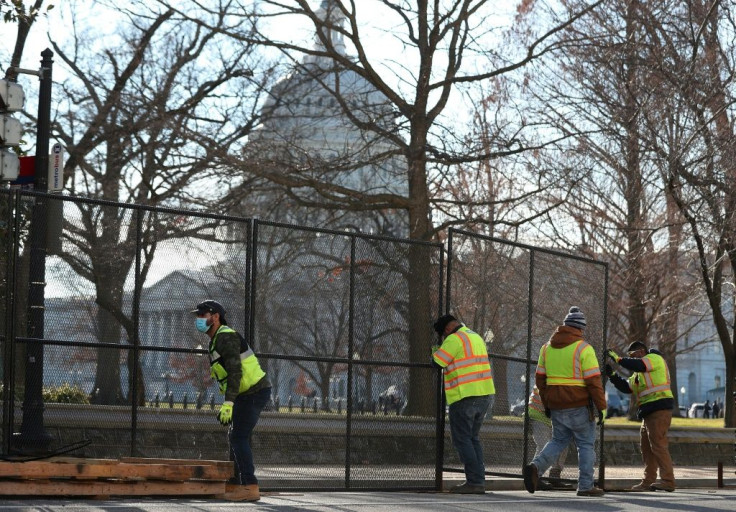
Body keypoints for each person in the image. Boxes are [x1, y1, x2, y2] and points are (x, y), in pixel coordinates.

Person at [192, 300, 272, 502]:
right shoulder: (217, 338)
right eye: (198, 316)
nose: (199, 320)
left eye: (203, 315)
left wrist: (229, 403)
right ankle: (238, 483)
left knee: (238, 437)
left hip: (254, 392)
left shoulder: (225, 337)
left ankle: (249, 486)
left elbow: (235, 372)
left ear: (215, 316)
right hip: (246, 393)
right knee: (235, 435)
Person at [523, 306, 607, 497]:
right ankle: (586, 485)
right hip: (579, 406)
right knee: (585, 444)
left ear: (564, 326)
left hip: (556, 405)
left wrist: (547, 403)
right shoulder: (584, 348)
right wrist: (601, 407)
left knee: (558, 440)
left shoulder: (546, 348)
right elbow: (594, 381)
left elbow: (540, 380)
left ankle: (536, 467)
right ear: (580, 329)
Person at [432, 314, 495, 494]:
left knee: (462, 439)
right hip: (484, 394)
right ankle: (478, 480)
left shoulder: (454, 339)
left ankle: (474, 482)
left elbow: (437, 362)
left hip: (464, 395)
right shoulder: (475, 336)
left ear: (447, 330)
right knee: (473, 438)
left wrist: (435, 348)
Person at [606, 340, 676, 492]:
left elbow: (638, 365)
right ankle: (647, 482)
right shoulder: (639, 373)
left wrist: (618, 359)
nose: (633, 357)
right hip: (648, 411)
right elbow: (627, 387)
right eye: (630, 355)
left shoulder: (654, 359)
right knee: (647, 449)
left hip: (659, 408)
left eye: (634, 354)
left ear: (641, 351)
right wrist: (612, 375)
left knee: (658, 445)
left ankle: (668, 481)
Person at [526, 386, 573, 490]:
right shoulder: (550, 376)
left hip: (553, 415)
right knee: (543, 445)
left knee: (562, 444)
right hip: (539, 413)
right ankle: (535, 476)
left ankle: (554, 475)